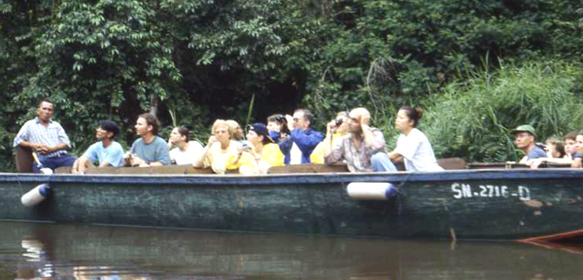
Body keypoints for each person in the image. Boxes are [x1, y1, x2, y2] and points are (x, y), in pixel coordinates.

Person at [13, 99, 77, 173]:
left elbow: (67, 143)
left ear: (52, 113)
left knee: (78, 162)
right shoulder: (29, 125)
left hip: (61, 157)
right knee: (38, 166)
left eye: (49, 110)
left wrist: (52, 149)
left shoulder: (56, 125)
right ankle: (40, 184)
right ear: (38, 111)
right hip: (43, 158)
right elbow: (17, 140)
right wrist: (34, 145)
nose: (47, 112)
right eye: (44, 109)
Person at [324, 108, 396, 172]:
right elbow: (329, 160)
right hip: (360, 181)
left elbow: (376, 149)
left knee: (378, 156)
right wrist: (329, 134)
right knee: (351, 187)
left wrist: (364, 126)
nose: (349, 122)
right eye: (349, 118)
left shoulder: (374, 133)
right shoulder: (345, 140)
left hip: (381, 179)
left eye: (354, 120)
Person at [387, 106, 443, 172]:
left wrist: (380, 157)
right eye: (397, 117)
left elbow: (393, 156)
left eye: (401, 118)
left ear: (411, 122)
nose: (397, 120)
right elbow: (397, 158)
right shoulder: (402, 137)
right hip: (417, 176)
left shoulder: (415, 135)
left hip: (431, 174)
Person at [193, 119, 257, 175]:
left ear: (229, 134)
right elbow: (196, 164)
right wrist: (208, 145)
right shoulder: (213, 148)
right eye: (217, 132)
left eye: (223, 131)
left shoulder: (238, 146)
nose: (220, 134)